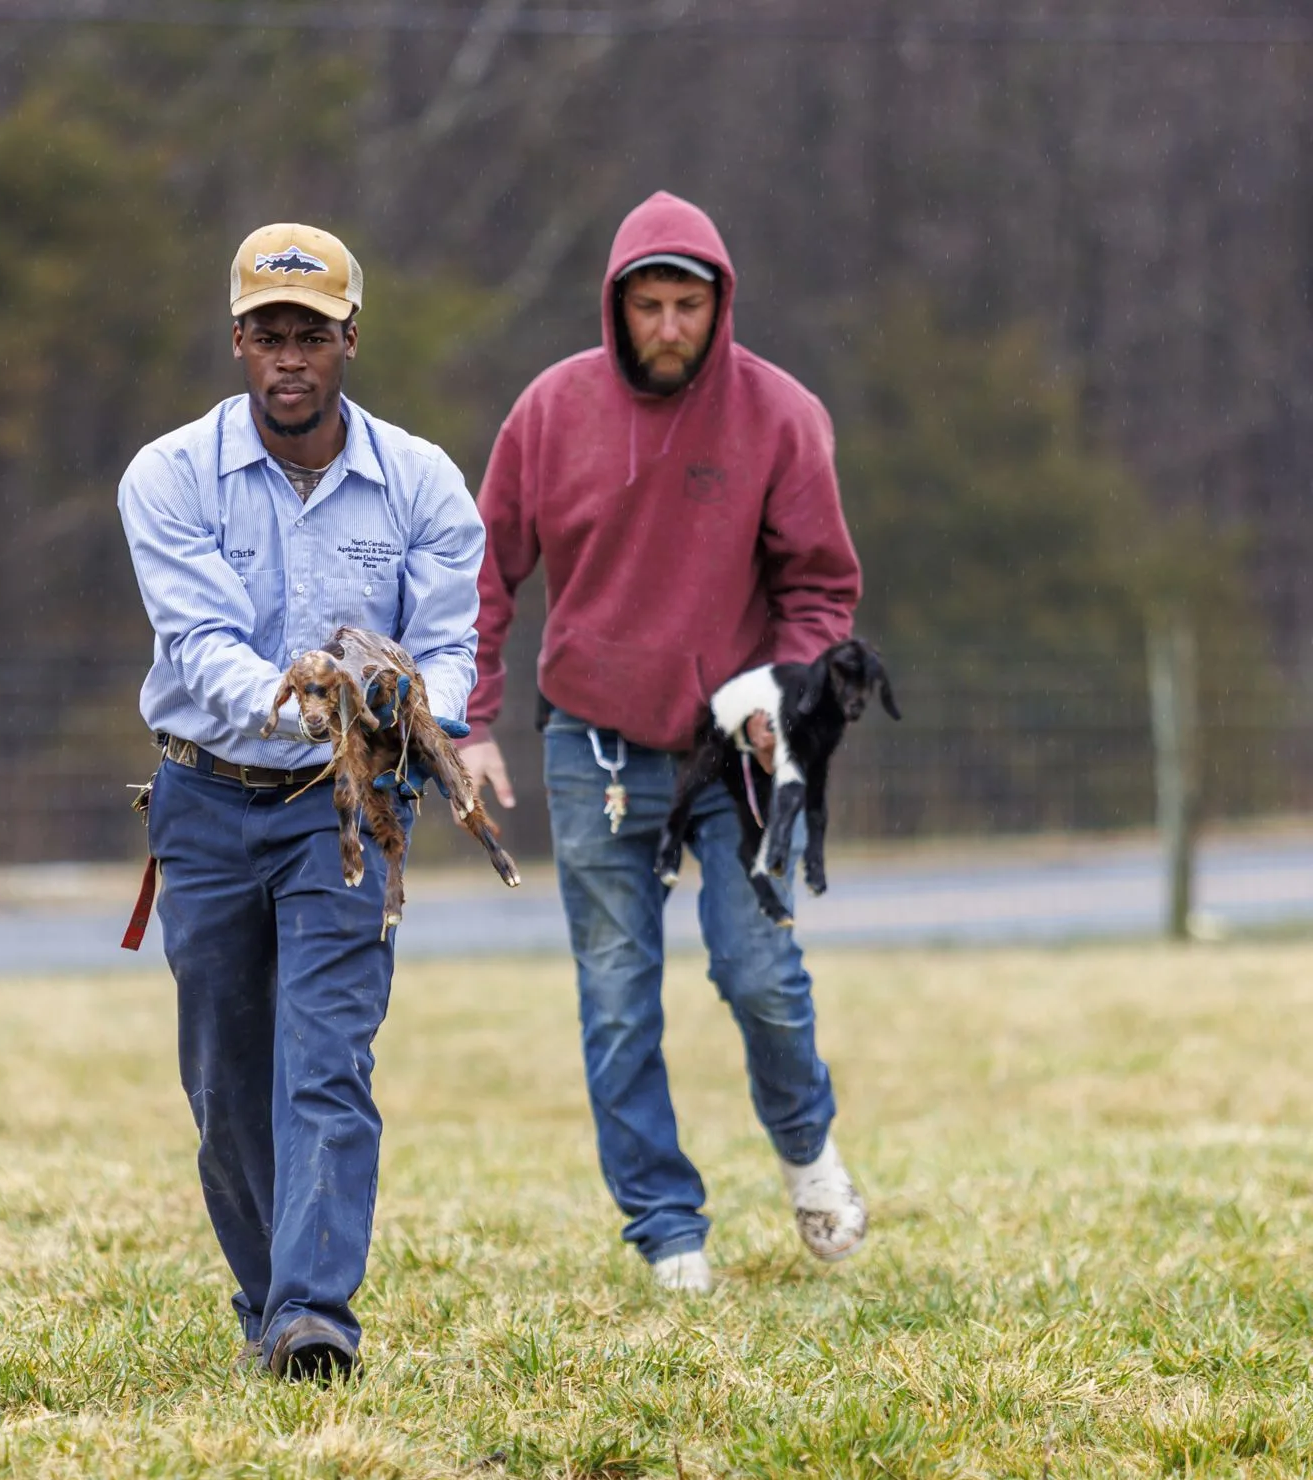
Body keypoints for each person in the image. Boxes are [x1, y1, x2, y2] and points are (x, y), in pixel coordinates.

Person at [457, 191, 867, 1294]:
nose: (672, 326)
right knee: (618, 996)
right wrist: (474, 718)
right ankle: (667, 1230)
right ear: (618, 306)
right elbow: (482, 574)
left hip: (734, 749)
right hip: (590, 743)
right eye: (652, 304)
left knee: (759, 973)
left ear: (719, 305)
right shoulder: (551, 412)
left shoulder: (780, 416)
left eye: (691, 304)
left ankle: (806, 1152)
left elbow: (822, 586)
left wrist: (785, 688)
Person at [117, 223, 485, 1376]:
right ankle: (270, 1298)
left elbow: (453, 647)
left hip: (351, 814)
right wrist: (313, 698)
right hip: (207, 802)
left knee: (326, 1061)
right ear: (237, 342)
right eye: (270, 335)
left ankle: (314, 1318)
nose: (291, 359)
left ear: (350, 341)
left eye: (312, 337)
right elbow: (204, 644)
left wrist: (419, 709)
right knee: (228, 1086)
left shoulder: (423, 482)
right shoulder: (167, 478)